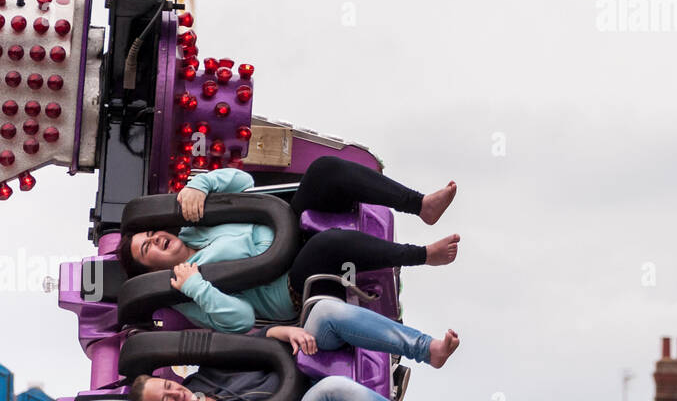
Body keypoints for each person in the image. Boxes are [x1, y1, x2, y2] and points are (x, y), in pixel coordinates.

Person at [117, 157, 460, 334]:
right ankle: (423, 255)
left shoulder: (194, 225)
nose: (156, 239)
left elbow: (245, 183)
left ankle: (421, 205)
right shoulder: (186, 293)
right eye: (148, 250)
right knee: (326, 246)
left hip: (288, 224)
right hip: (290, 284)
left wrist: (201, 183)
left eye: (150, 235)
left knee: (324, 170)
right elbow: (240, 319)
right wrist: (198, 288)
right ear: (154, 271)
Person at [127, 296, 460, 401]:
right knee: (333, 390)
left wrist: (284, 333)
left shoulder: (204, 375)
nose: (176, 394)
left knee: (325, 311)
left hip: (304, 361)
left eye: (167, 387)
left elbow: (252, 343)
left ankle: (428, 350)